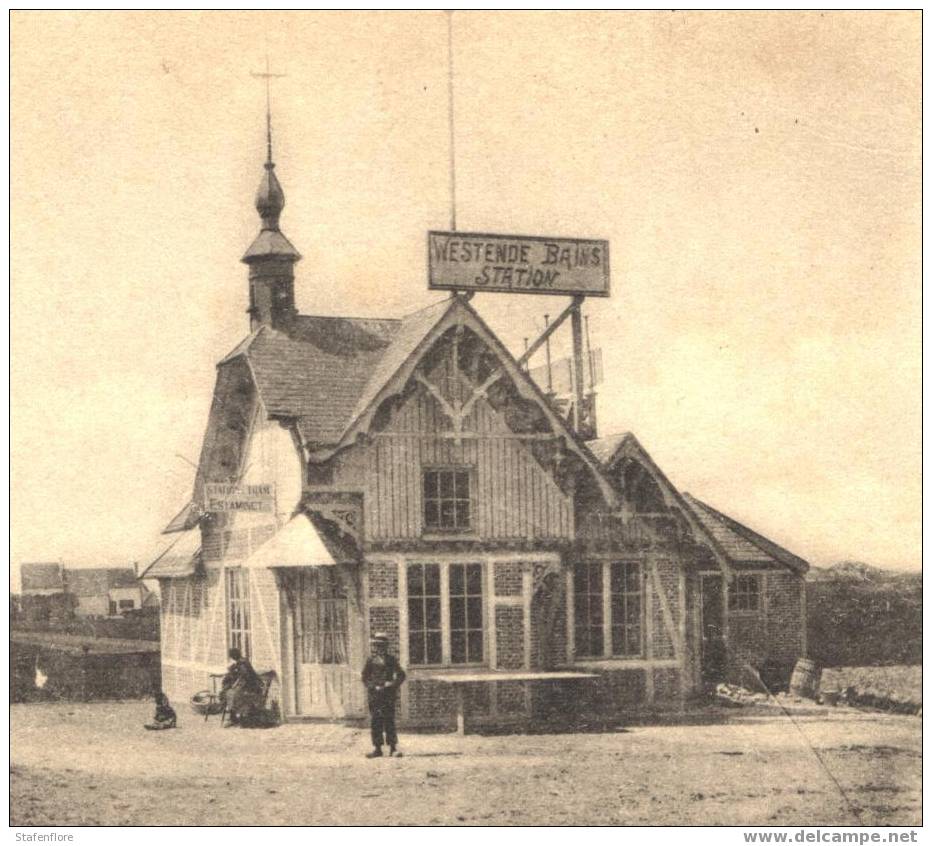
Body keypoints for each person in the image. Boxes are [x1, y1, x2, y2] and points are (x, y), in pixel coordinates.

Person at [361, 632, 406, 758]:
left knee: (389, 721)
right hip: (375, 695)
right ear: (374, 647)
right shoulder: (370, 660)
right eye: (377, 645)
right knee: (376, 721)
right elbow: (364, 677)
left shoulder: (391, 660)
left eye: (382, 646)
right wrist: (373, 686)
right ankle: (377, 749)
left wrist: (391, 684)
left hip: (388, 695)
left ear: (386, 647)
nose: (379, 648)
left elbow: (401, 675)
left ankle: (393, 748)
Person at [220, 647, 265, 727]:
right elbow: (239, 675)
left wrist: (235, 673)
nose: (232, 658)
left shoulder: (242, 663)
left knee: (232, 694)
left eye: (232, 657)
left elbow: (245, 677)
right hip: (247, 685)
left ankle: (234, 718)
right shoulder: (241, 662)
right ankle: (233, 718)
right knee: (229, 693)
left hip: (251, 687)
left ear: (234, 656)